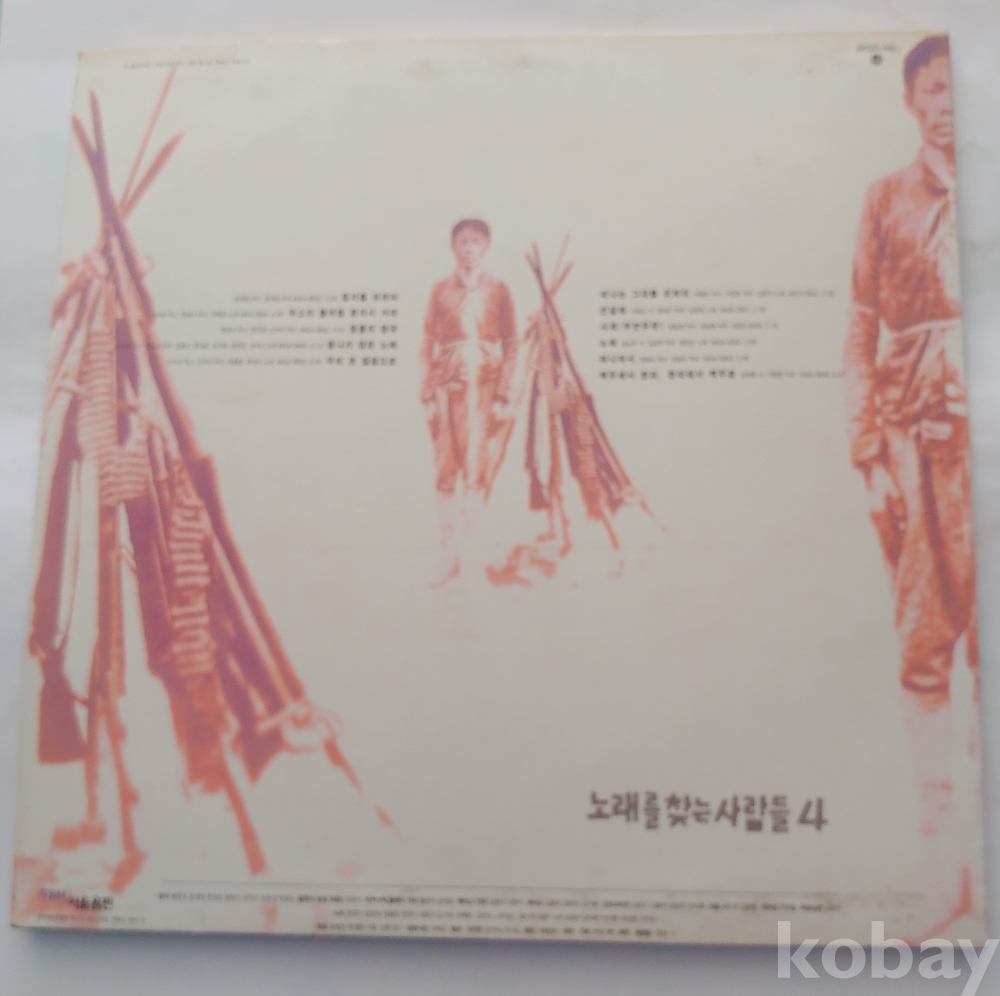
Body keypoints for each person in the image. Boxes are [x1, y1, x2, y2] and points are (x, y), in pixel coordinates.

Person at [844, 35, 979, 937]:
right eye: (933, 90)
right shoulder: (885, 198)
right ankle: (944, 877)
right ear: (909, 100)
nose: (946, 105)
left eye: (959, 90)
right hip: (914, 452)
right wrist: (868, 457)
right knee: (924, 656)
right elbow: (860, 328)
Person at [421, 219, 517, 586]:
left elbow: (512, 344)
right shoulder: (439, 290)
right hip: (446, 389)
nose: (469, 248)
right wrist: (427, 393)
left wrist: (503, 393)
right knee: (445, 473)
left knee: (477, 475)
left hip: (484, 390)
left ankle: (463, 557)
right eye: (463, 242)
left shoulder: (499, 289)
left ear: (486, 246)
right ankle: (447, 556)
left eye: (476, 242)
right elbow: (426, 344)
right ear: (453, 247)